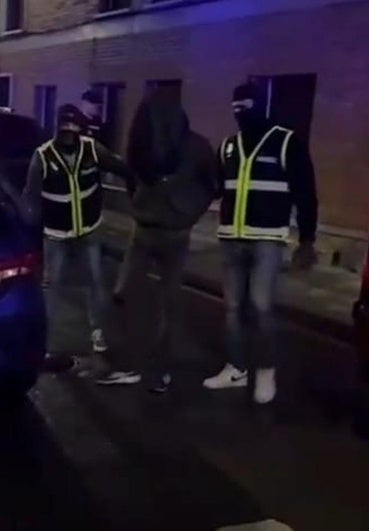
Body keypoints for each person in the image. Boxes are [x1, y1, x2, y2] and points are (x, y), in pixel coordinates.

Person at [202, 81, 318, 404]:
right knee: (233, 308)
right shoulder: (228, 146)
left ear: (262, 105)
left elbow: (306, 193)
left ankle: (266, 371)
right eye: (235, 106)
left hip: (267, 240)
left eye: (246, 105)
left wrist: (306, 240)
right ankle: (236, 368)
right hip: (230, 239)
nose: (240, 112)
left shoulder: (286, 142)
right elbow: (213, 187)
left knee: (261, 307)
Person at [100, 92, 219, 392]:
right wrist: (142, 205)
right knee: (123, 294)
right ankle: (127, 364)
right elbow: (131, 178)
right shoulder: (143, 144)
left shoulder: (195, 147)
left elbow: (212, 186)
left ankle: (158, 370)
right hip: (144, 231)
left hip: (175, 234)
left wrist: (188, 211)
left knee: (168, 302)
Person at [22, 104, 134, 371]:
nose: (69, 137)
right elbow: (31, 198)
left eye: (73, 131)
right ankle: (47, 343)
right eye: (64, 131)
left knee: (96, 282)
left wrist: (137, 190)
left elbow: (121, 169)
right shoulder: (43, 156)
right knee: (52, 287)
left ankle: (98, 334)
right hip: (56, 234)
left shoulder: (92, 150)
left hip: (89, 229)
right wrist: (29, 233)